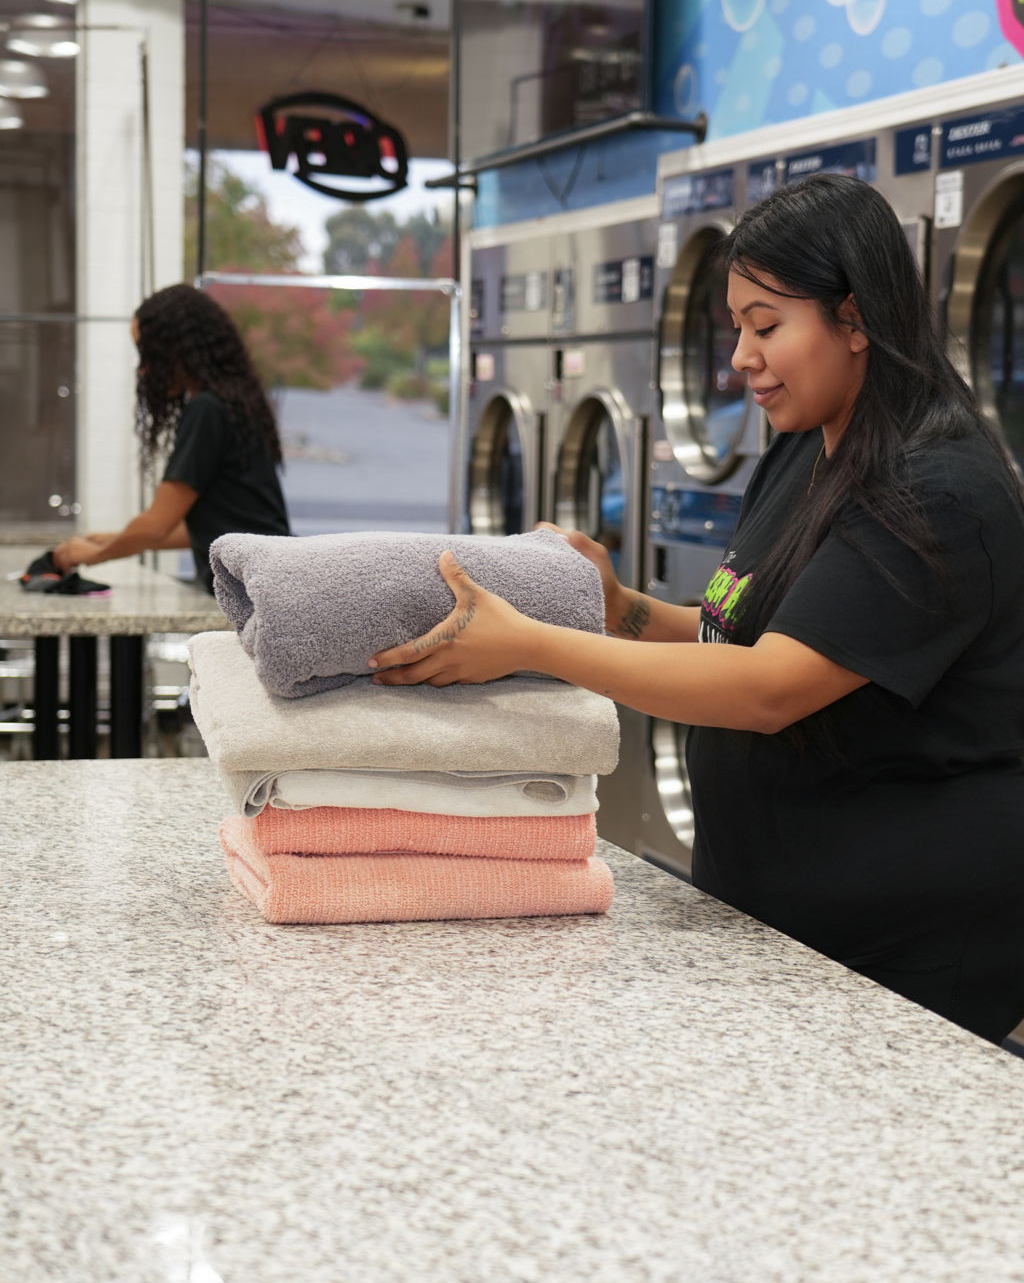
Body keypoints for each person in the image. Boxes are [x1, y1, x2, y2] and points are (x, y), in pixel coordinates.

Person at [369, 174, 1024, 1046]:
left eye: (766, 327)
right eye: (737, 329)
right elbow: (744, 629)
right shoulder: (807, 449)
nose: (741, 359)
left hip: (904, 940)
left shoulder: (936, 489)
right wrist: (617, 608)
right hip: (779, 911)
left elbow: (767, 687)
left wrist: (533, 644)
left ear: (856, 319)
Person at [53, 282, 290, 593]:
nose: (143, 369)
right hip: (272, 582)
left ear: (177, 348)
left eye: (147, 353)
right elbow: (210, 529)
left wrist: (95, 555)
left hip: (255, 592)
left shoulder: (207, 410)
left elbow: (156, 526)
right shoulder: (234, 401)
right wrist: (116, 539)